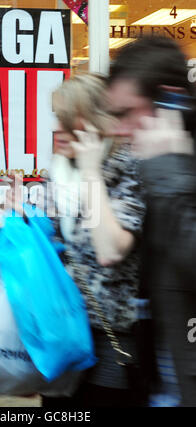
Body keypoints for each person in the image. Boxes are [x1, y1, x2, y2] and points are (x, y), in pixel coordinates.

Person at [30, 73, 146, 407]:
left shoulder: (126, 169)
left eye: (66, 120)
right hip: (61, 333)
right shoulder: (60, 173)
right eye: (56, 119)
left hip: (109, 341)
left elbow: (110, 250)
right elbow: (54, 249)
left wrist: (92, 172)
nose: (56, 129)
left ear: (95, 121)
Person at [107, 35, 196, 407]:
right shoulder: (154, 165)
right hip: (161, 372)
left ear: (168, 100)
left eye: (128, 113)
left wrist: (169, 174)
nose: (119, 129)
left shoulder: (170, 168)